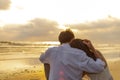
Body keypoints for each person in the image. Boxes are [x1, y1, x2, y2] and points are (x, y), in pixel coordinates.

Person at [39, 29, 105, 80]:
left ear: (60, 41)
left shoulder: (51, 51)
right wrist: (92, 49)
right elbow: (100, 67)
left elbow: (41, 58)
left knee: (46, 62)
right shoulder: (78, 53)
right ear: (72, 39)